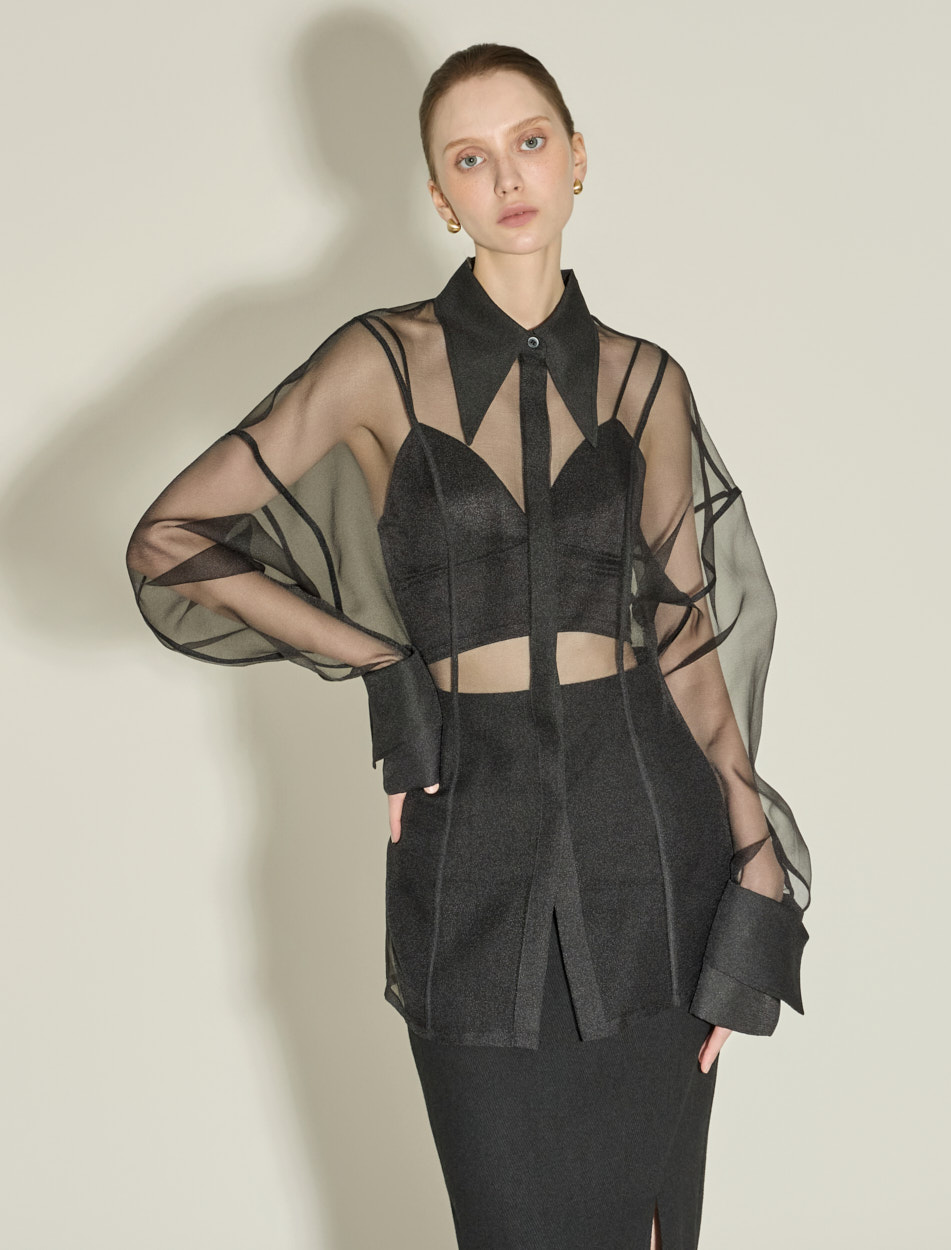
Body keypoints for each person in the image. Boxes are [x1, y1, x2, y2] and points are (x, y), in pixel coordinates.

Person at [125, 41, 811, 1250]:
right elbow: (170, 538)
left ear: (576, 158)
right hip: (471, 856)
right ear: (442, 195)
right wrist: (388, 668)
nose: (507, 177)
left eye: (529, 142)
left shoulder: (645, 381)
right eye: (470, 158)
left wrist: (756, 860)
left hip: (652, 850)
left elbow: (684, 633)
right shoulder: (379, 363)